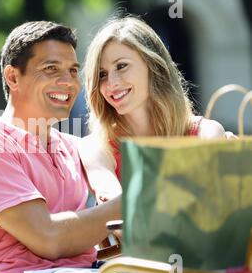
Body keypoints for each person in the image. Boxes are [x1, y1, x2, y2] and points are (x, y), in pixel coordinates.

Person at [0, 21, 121, 273]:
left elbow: (102, 155)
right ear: (13, 77)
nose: (67, 82)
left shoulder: (70, 145)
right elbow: (49, 238)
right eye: (51, 69)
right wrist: (130, 205)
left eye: (73, 71)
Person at [79, 16, 231, 203]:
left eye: (121, 66)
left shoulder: (205, 133)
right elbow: (114, 211)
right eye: (102, 75)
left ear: (153, 66)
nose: (111, 83)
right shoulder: (96, 147)